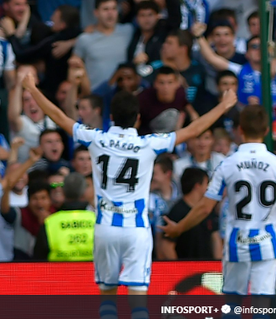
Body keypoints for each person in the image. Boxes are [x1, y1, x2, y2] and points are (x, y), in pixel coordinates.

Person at [21, 72, 238, 317]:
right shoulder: (150, 143)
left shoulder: (97, 139)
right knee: (138, 302)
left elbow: (60, 116)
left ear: (111, 117)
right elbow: (192, 129)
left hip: (105, 227)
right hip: (136, 229)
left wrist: (33, 88)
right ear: (137, 119)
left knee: (107, 297)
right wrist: (223, 105)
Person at [159, 105, 276, 312]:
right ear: (266, 130)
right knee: (261, 306)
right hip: (267, 242)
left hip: (236, 241)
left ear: (240, 130)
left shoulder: (227, 165)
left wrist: (179, 227)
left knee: (232, 304)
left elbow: (204, 208)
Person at [33, 172, 94, 261]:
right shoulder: (97, 220)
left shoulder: (50, 222)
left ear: (63, 191)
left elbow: (38, 260)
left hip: (57, 273)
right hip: (92, 273)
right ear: (83, 192)